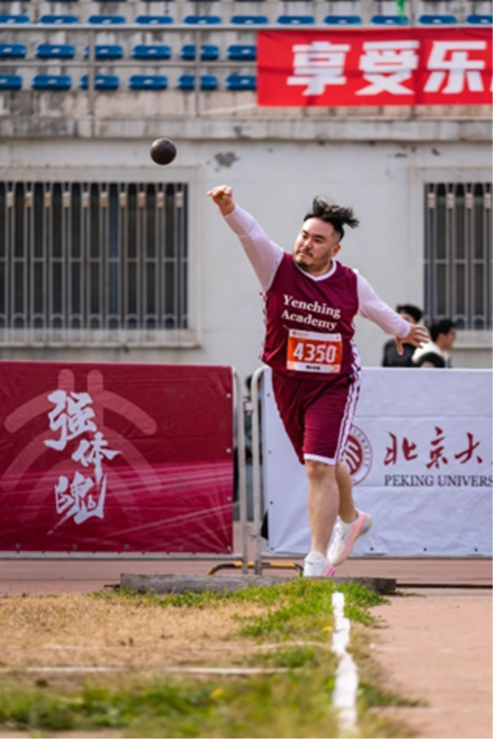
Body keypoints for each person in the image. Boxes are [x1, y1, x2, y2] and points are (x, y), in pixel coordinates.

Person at [209, 186, 428, 578]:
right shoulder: (275, 266)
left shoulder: (350, 282)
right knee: (320, 462)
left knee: (317, 467)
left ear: (334, 249)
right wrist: (229, 209)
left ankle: (316, 559)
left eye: (318, 240)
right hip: (286, 382)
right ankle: (352, 519)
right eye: (304, 235)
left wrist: (402, 330)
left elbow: (377, 310)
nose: (306, 244)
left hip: (334, 383)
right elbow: (251, 233)